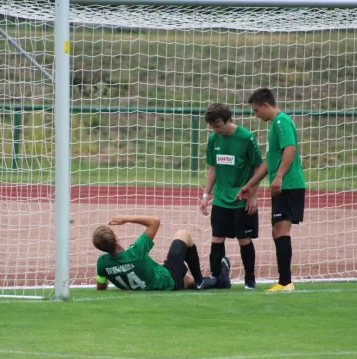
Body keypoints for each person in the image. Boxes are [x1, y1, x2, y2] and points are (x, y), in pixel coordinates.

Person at [239, 88, 306, 292]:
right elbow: (269, 162)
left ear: (266, 106)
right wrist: (250, 185)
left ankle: (285, 282)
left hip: (289, 185)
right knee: (277, 232)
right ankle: (283, 280)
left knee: (281, 231)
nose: (256, 114)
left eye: (256, 110)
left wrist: (279, 176)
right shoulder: (274, 126)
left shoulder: (281, 121)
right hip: (282, 185)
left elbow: (291, 149)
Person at [199, 103, 264, 290]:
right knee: (217, 238)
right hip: (220, 198)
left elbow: (258, 168)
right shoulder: (213, 139)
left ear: (229, 120)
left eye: (218, 125)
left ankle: (250, 279)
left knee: (244, 239)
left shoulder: (246, 138)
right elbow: (213, 168)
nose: (216, 129)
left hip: (240, 199)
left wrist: (252, 196)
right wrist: (205, 195)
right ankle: (217, 278)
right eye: (212, 127)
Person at [93, 215, 217, 291]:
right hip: (167, 279)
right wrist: (125, 219)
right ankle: (200, 280)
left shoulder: (102, 263)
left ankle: (214, 282)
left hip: (154, 281)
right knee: (183, 234)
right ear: (116, 238)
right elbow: (155, 221)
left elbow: (101, 288)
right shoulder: (135, 252)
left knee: (189, 282)